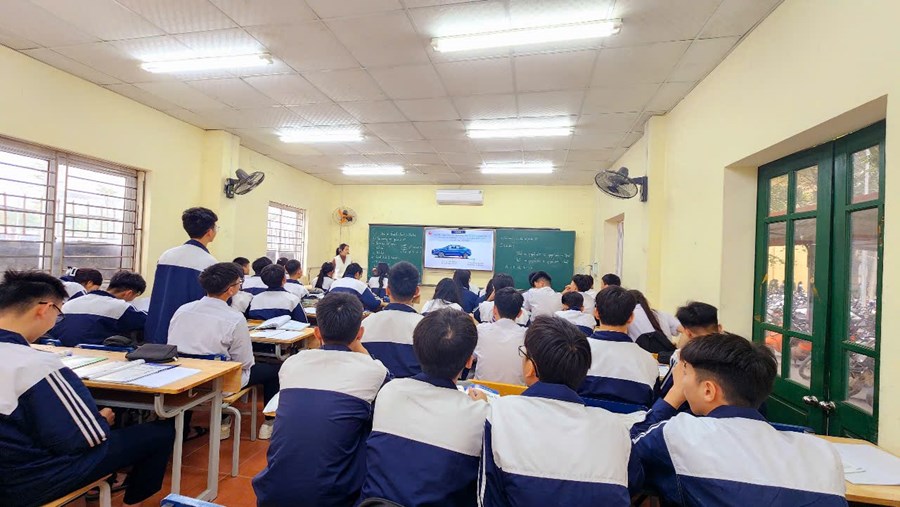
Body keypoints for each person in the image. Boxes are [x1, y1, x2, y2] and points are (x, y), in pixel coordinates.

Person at [0, 270, 174, 507]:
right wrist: (102, 420)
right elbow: (82, 439)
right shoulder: (34, 363)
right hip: (24, 482)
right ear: (45, 309)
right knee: (159, 433)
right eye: (59, 314)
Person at [631, 334, 847, 506]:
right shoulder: (823, 453)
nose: (681, 381)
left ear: (708, 390)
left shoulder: (679, 435)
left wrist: (675, 392)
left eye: (684, 374)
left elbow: (627, 449)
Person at [479, 316, 641, 506]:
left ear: (531, 368)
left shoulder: (500, 414)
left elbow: (488, 497)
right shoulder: (616, 428)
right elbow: (633, 482)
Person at [252, 293, 389, 507]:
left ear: (317, 333)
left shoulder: (292, 364)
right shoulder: (374, 370)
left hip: (271, 493)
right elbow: (389, 393)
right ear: (360, 333)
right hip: (333, 498)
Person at [360, 309, 489, 506]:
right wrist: (482, 405)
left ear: (417, 350)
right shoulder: (480, 415)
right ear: (469, 361)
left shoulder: (389, 391)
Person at [168, 262, 281, 439]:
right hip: (220, 382)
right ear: (230, 290)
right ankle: (269, 422)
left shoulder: (183, 310)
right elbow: (245, 362)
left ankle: (187, 429)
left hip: (184, 378)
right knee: (273, 371)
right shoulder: (234, 317)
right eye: (239, 283)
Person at [144, 207, 218, 344]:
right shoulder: (209, 262)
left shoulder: (167, 255)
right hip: (188, 331)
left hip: (158, 325)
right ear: (209, 232)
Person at [579, 287, 659, 407]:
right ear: (631, 317)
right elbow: (651, 404)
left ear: (596, 313)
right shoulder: (648, 361)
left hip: (581, 417)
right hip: (633, 419)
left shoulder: (576, 351)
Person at [50, 270, 147, 347]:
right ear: (129, 293)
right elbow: (149, 322)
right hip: (96, 354)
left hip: (62, 351)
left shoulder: (70, 303)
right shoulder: (121, 307)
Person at [359, 261, 423, 378]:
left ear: (387, 290)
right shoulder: (425, 327)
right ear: (417, 292)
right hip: (413, 388)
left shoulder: (365, 325)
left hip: (374, 388)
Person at [659, 302, 722, 401]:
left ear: (687, 333)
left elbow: (665, 392)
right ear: (719, 328)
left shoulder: (683, 358)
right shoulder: (735, 351)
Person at [473, 287, 527, 385]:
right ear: (520, 313)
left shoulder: (480, 331)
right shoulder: (527, 336)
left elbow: (472, 358)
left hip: (482, 391)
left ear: (494, 310)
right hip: (516, 392)